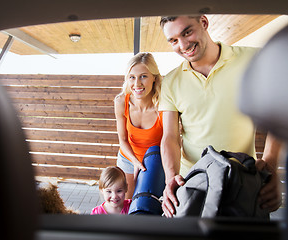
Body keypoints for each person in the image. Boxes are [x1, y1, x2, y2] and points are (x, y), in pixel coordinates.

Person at [158, 15, 282, 218]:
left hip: (244, 180)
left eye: (187, 32)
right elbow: (170, 137)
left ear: (204, 23)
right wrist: (170, 177)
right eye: (173, 40)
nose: (182, 45)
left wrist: (270, 164)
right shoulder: (171, 81)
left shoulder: (253, 60)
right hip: (194, 184)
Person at [114, 52, 163, 199]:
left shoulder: (163, 105)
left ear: (154, 77)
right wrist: (135, 162)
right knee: (126, 205)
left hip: (155, 162)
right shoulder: (121, 102)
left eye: (143, 76)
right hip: (128, 159)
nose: (137, 84)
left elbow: (171, 140)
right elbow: (122, 140)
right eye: (132, 77)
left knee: (148, 207)